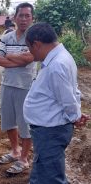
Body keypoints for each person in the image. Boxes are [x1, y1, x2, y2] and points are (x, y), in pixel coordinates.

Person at [23, 22, 90, 184]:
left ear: (37, 44)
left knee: (51, 177)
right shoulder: (59, 58)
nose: (29, 52)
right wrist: (76, 114)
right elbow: (72, 90)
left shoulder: (57, 65)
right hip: (47, 130)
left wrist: (75, 116)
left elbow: (67, 98)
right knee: (42, 171)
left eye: (29, 48)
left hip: (51, 131)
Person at [0, 2, 37, 175]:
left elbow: (30, 59)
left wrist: (10, 57)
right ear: (15, 17)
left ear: (32, 18)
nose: (24, 18)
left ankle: (24, 159)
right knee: (9, 121)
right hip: (7, 84)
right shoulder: (6, 37)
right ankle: (15, 151)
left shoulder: (34, 38)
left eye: (28, 15)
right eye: (21, 15)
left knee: (25, 124)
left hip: (26, 87)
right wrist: (19, 59)